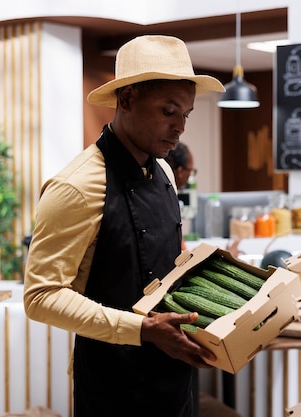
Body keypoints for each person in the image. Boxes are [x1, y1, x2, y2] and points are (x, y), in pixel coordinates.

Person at [23, 35, 225, 417]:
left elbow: (161, 261)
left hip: (173, 372)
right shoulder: (76, 187)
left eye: (186, 114)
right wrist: (143, 329)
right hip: (111, 385)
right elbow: (41, 297)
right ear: (127, 99)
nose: (180, 127)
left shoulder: (163, 169)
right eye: (169, 111)